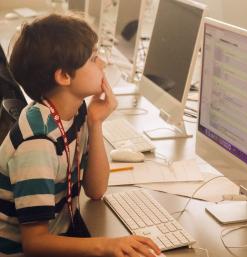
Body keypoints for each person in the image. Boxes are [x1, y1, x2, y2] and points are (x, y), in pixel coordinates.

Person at [0, 14, 161, 257]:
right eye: (94, 58)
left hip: (62, 235)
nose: (103, 64)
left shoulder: (76, 112)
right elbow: (35, 244)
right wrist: (106, 245)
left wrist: (96, 124)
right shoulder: (38, 142)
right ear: (64, 76)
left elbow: (96, 190)